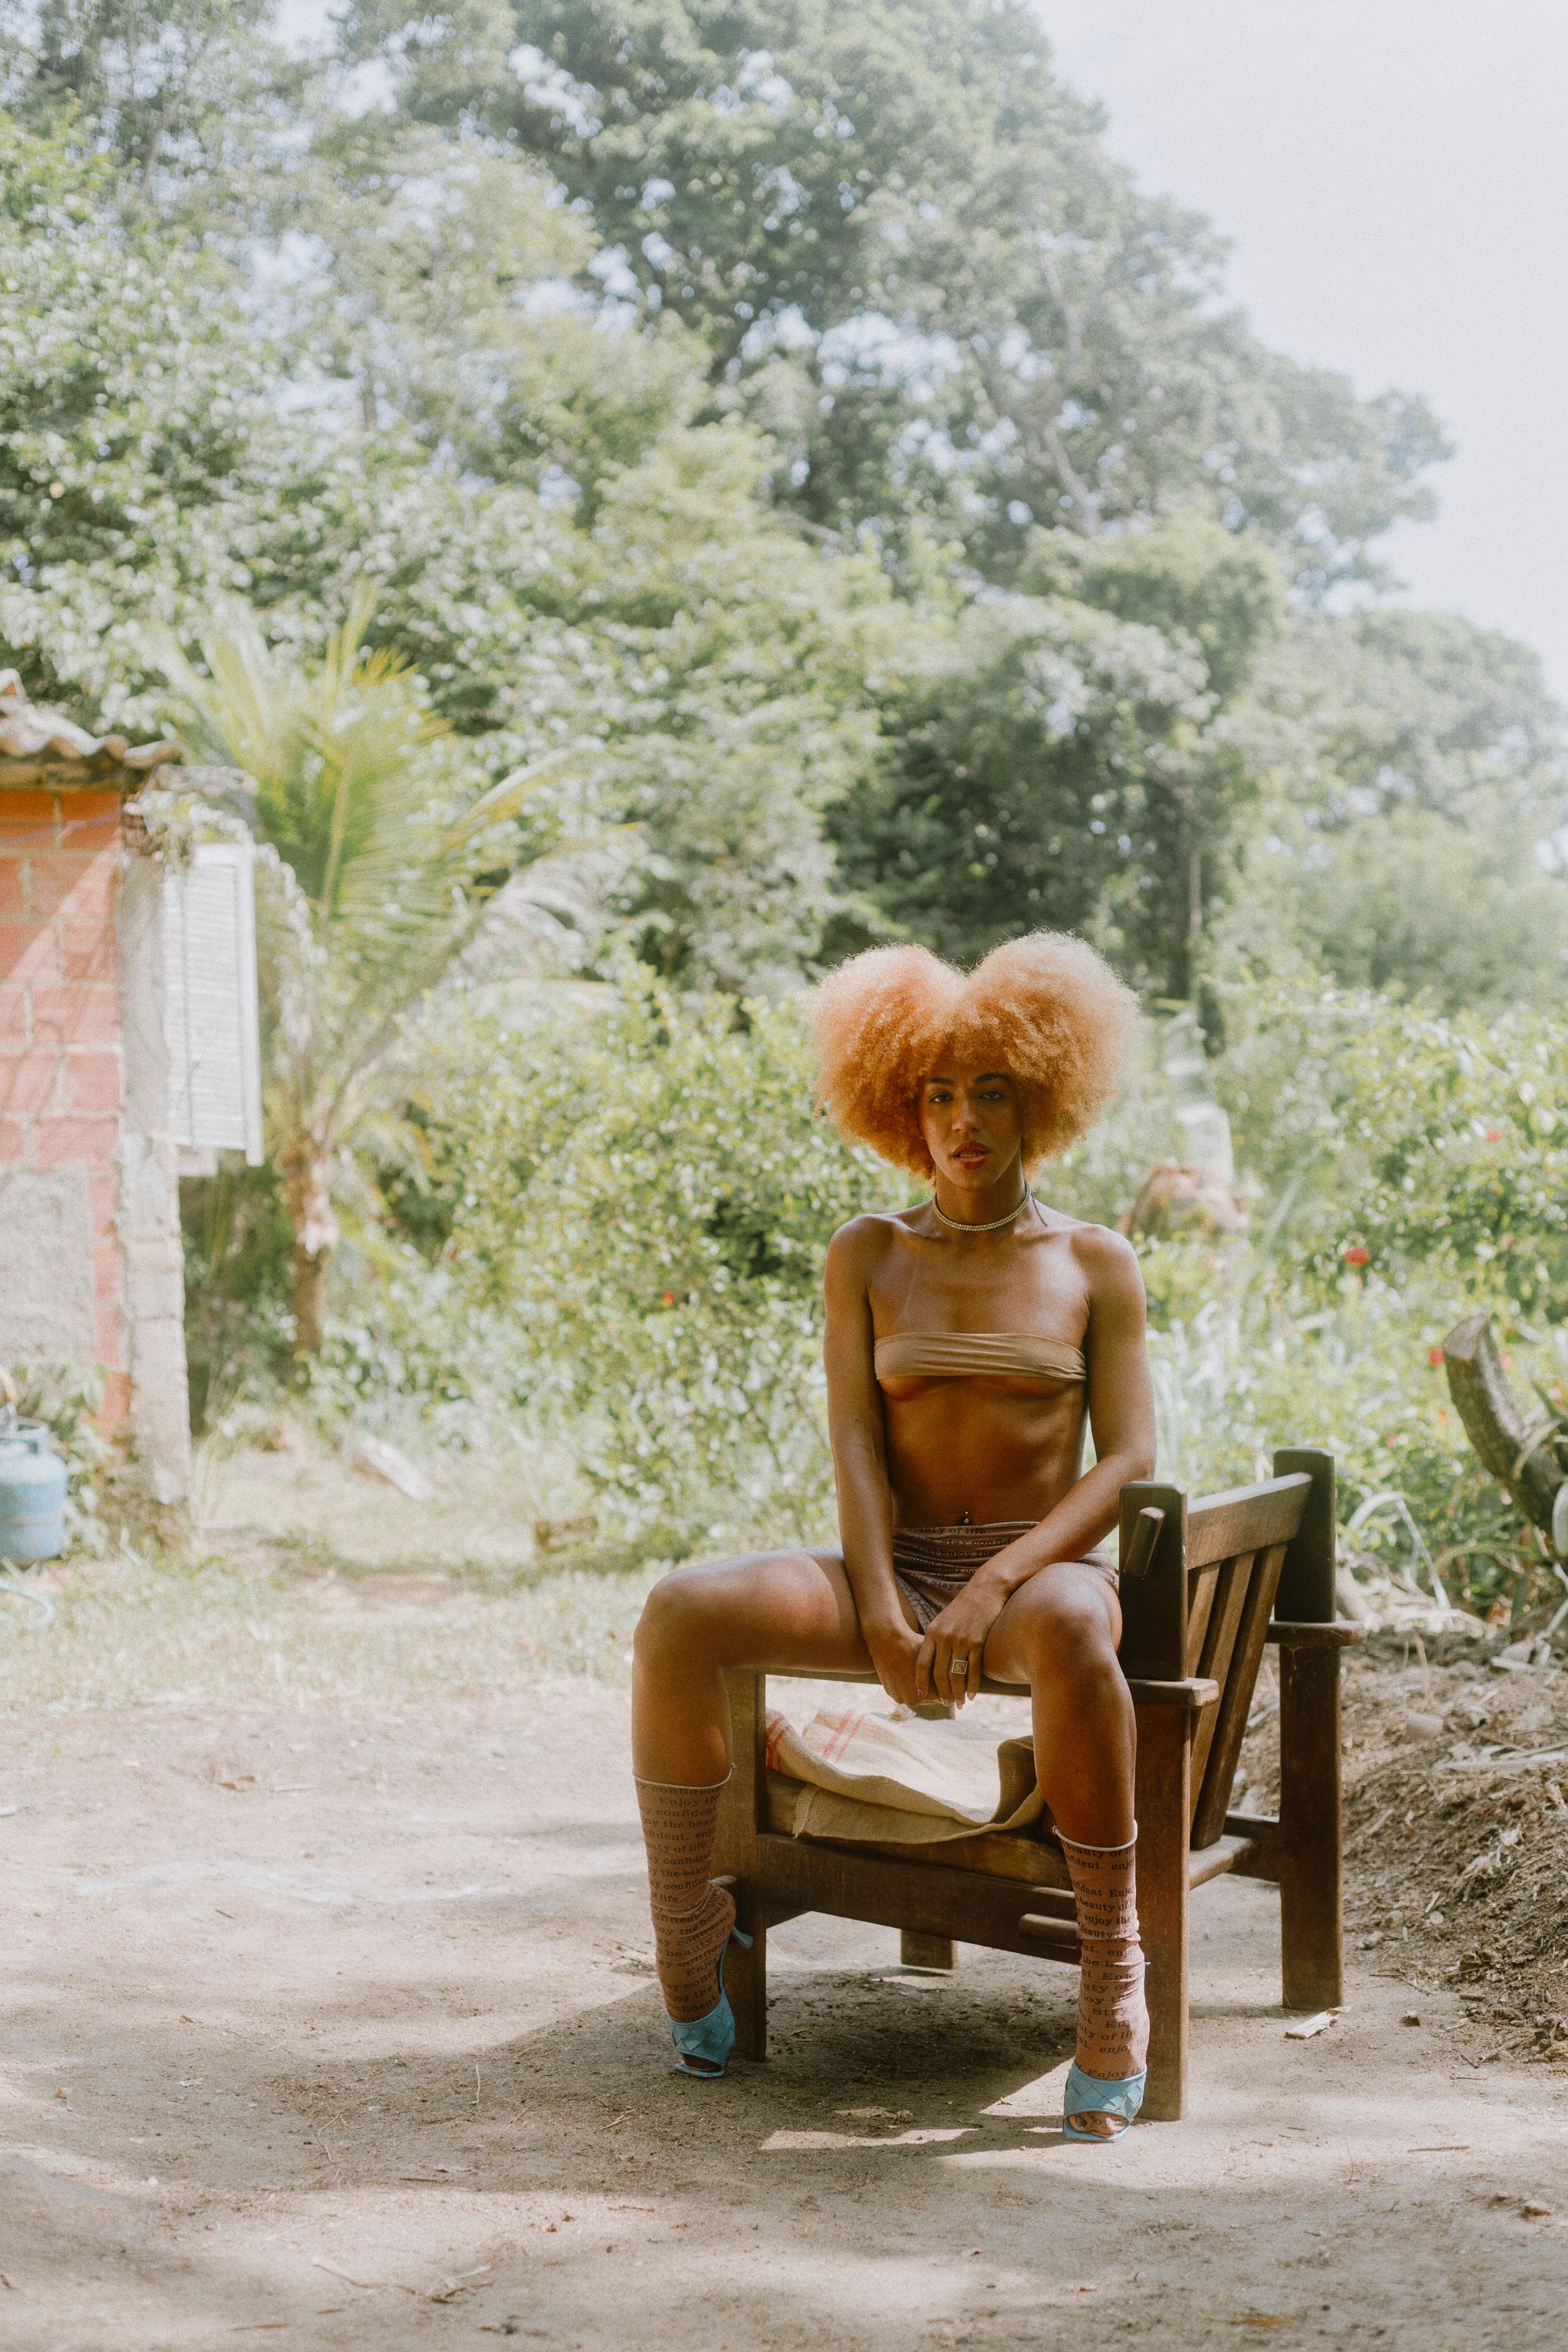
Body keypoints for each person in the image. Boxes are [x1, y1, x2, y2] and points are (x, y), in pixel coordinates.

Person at [631, 932, 1156, 2140]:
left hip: (1034, 1575)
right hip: (896, 1567)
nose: (964, 1119)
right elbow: (858, 1449)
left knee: (1079, 1622)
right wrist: (880, 1607)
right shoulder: (867, 1254)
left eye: (991, 1090)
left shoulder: (1095, 1260)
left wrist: (994, 1592)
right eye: (937, 1094)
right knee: (679, 1611)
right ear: (900, 1110)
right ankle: (687, 1921)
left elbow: (1129, 1460)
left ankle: (1112, 1972)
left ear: (1041, 1099)